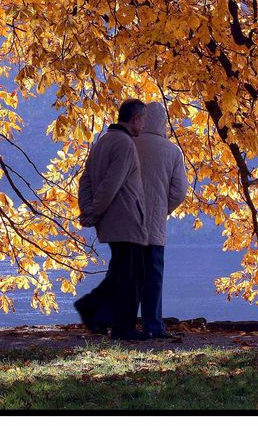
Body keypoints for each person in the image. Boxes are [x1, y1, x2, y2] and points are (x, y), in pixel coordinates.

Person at [74, 98, 149, 341]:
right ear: (135, 119)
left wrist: (87, 209)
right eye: (143, 120)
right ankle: (119, 326)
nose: (143, 125)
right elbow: (111, 185)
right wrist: (93, 211)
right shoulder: (125, 144)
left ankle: (98, 314)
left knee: (120, 272)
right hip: (126, 218)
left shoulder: (102, 142)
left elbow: (85, 180)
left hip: (111, 219)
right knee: (131, 275)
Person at [135, 101, 189, 339]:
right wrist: (163, 209)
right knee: (153, 275)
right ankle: (153, 325)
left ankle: (123, 324)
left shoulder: (130, 144)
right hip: (155, 223)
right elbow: (179, 191)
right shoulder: (172, 151)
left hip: (128, 222)